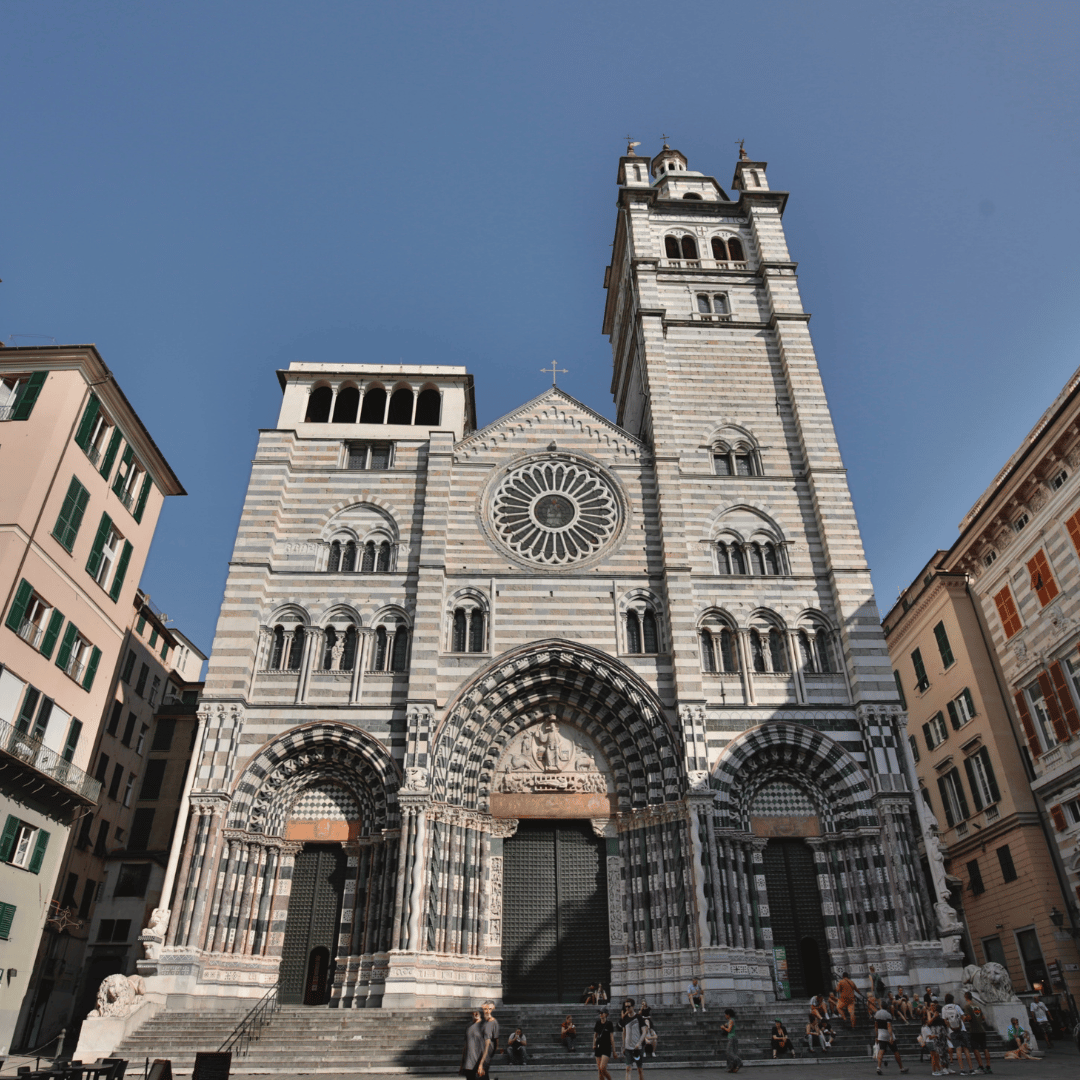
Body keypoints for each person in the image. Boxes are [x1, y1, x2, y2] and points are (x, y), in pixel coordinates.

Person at [941, 993, 974, 1075]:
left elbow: (945, 1021)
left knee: (958, 1050)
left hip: (952, 1031)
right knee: (966, 1049)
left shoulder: (944, 1008)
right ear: (953, 999)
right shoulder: (957, 1007)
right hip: (962, 1030)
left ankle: (962, 1069)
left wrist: (951, 1028)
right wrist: (960, 1024)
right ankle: (971, 1069)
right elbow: (963, 1017)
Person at [874, 1003, 909, 1076]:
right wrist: (891, 1036)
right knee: (895, 1051)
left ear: (881, 1006)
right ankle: (901, 1068)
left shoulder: (877, 1013)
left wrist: (876, 1036)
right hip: (887, 1033)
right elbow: (889, 1026)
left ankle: (878, 1067)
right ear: (887, 1007)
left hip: (881, 1033)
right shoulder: (888, 1014)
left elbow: (876, 1026)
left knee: (881, 1050)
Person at [962, 991, 991, 1075]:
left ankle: (981, 1066)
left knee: (975, 1048)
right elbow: (983, 1017)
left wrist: (964, 1019)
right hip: (982, 1029)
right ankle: (988, 1066)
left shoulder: (967, 1006)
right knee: (985, 1048)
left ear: (966, 997)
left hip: (974, 1030)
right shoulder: (977, 1006)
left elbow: (969, 1017)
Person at [461, 1010, 493, 1080]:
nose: (475, 1014)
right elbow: (466, 1045)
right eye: (473, 1012)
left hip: (480, 1063)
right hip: (469, 1064)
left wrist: (482, 1064)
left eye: (477, 1012)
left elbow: (488, 1046)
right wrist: (462, 1064)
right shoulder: (468, 1026)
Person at [618, 998, 644, 1080]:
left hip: (637, 1047)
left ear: (633, 1006)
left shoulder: (639, 1017)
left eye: (629, 1006)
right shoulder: (625, 1018)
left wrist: (639, 1043)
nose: (627, 1008)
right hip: (628, 1047)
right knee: (628, 1068)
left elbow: (644, 1032)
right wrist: (623, 1046)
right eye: (626, 1007)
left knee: (639, 1069)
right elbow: (624, 1032)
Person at [593, 1008, 615, 1080]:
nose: (600, 1014)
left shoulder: (609, 1024)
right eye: (600, 1013)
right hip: (599, 1046)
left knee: (602, 1068)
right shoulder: (598, 1023)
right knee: (599, 1070)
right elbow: (595, 1034)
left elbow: (611, 1037)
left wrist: (614, 1051)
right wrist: (594, 1044)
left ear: (606, 1014)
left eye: (602, 1013)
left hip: (606, 1047)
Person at [480, 1001, 500, 1074]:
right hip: (479, 1048)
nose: (488, 1011)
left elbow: (496, 1038)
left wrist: (494, 1050)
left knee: (483, 1069)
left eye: (490, 1009)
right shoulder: (481, 1021)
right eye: (486, 1008)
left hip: (488, 1048)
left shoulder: (494, 1022)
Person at [722, 1009, 742, 1073]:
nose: (725, 1016)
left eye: (726, 1014)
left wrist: (723, 1028)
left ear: (728, 1015)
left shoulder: (731, 1020)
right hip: (733, 1037)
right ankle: (732, 1066)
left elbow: (729, 1030)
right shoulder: (731, 1020)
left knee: (729, 1052)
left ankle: (739, 1062)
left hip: (732, 1038)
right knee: (733, 1052)